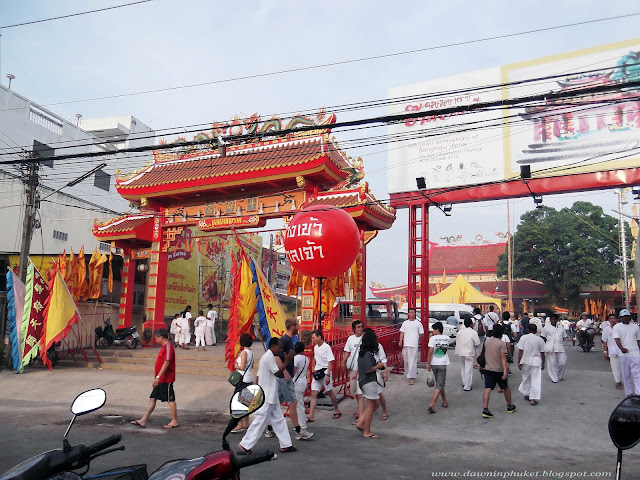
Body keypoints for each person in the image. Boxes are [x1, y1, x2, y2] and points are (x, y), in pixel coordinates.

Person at [238, 337, 297, 455]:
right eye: (279, 347)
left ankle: (286, 445)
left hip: (270, 394)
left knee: (279, 420)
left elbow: (259, 377)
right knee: (260, 420)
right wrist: (287, 360)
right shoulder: (269, 357)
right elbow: (277, 372)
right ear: (273, 346)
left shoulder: (267, 357)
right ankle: (245, 445)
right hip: (267, 395)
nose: (280, 349)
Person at [130, 329, 179, 429]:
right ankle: (144, 420)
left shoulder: (168, 347)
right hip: (160, 380)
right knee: (153, 398)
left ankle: (174, 420)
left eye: (156, 338)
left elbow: (167, 362)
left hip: (166, 379)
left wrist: (158, 377)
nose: (156, 340)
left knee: (170, 399)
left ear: (161, 337)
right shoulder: (163, 348)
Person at [270, 317, 309, 439]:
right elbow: (278, 357)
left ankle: (269, 428)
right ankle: (299, 431)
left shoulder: (290, 340)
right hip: (284, 377)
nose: (298, 327)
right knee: (293, 402)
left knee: (275, 402)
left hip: (285, 377)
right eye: (297, 325)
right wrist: (286, 372)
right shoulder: (285, 340)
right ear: (292, 327)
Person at [481, 324, 516, 418]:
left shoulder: (487, 341)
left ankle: (485, 409)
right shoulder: (501, 343)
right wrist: (505, 370)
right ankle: (509, 406)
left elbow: (482, 353)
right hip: (499, 369)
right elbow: (503, 357)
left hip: (488, 368)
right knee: (505, 387)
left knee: (487, 389)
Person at [357, 329, 386, 439]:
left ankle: (361, 423)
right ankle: (367, 431)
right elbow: (368, 369)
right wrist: (379, 366)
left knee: (375, 404)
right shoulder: (369, 354)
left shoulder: (362, 353)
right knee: (370, 406)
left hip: (363, 381)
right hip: (369, 381)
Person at [307, 329, 341, 421]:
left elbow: (330, 362)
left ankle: (336, 410)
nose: (313, 340)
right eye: (312, 338)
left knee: (330, 392)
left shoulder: (326, 347)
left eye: (314, 338)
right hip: (318, 372)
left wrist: (328, 375)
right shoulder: (315, 347)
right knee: (314, 393)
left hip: (325, 372)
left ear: (319, 337)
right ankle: (311, 415)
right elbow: (316, 359)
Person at [613, 309, 640, 395]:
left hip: (635, 353)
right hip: (623, 354)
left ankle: (638, 393)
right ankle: (629, 394)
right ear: (621, 317)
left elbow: (638, 339)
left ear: (629, 316)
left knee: (637, 374)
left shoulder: (635, 327)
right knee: (626, 375)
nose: (626, 318)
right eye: (624, 316)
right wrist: (622, 349)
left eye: (627, 316)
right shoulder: (617, 327)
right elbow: (617, 339)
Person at [517, 324, 546, 405]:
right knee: (535, 379)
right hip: (536, 362)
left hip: (525, 360)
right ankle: (533, 398)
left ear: (528, 330)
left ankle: (527, 393)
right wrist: (543, 363)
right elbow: (542, 353)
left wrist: (519, 362)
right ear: (536, 330)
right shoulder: (539, 340)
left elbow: (520, 351)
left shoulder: (523, 338)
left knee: (526, 378)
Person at [231, 333, 254, 433]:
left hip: (243, 379)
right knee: (245, 402)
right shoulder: (251, 352)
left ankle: (239, 424)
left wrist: (236, 365)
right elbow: (251, 365)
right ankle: (245, 423)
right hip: (249, 378)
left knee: (236, 401)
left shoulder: (244, 352)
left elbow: (242, 367)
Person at [426, 322, 450, 413]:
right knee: (440, 384)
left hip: (434, 363)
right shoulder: (447, 338)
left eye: (434, 329)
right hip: (443, 363)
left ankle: (444, 401)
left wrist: (428, 363)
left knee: (440, 383)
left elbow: (430, 351)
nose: (432, 331)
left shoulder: (432, 339)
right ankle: (432, 404)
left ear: (437, 330)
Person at [292, 341, 314, 440]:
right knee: (298, 404)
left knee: (299, 405)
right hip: (303, 381)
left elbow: (293, 371)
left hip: (296, 382)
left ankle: (302, 427)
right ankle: (299, 425)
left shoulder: (296, 358)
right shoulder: (306, 358)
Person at [344, 320, 365, 420]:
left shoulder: (365, 338)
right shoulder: (350, 339)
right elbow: (347, 352)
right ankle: (359, 408)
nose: (360, 329)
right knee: (354, 390)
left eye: (361, 327)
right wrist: (344, 363)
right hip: (352, 368)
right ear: (354, 329)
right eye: (358, 327)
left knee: (360, 393)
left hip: (362, 368)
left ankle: (361, 415)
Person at [399, 307, 424, 385]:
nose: (412, 314)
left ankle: (412, 377)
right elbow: (402, 332)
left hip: (413, 344)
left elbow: (421, 334)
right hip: (406, 344)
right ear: (408, 314)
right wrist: (400, 341)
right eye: (411, 312)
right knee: (406, 360)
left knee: (412, 361)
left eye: (413, 312)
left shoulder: (418, 323)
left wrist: (417, 340)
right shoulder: (405, 323)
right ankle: (409, 373)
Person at [455, 317, 480, 391]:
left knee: (463, 368)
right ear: (471, 324)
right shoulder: (473, 332)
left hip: (460, 352)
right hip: (469, 352)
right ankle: (467, 386)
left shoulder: (460, 332)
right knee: (468, 369)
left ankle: (464, 382)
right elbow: (477, 343)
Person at [541, 314, 567, 383]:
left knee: (563, 362)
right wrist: (547, 344)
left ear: (557, 320)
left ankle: (559, 376)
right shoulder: (546, 328)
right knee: (552, 363)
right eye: (552, 319)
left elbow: (563, 337)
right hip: (550, 348)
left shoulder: (561, 327)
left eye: (555, 319)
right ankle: (554, 378)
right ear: (550, 320)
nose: (553, 321)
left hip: (560, 347)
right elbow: (543, 337)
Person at [601, 313, 623, 390]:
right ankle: (618, 382)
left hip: (623, 351)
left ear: (617, 319)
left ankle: (625, 382)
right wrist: (605, 351)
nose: (612, 320)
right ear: (608, 320)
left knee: (623, 368)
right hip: (612, 352)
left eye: (614, 318)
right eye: (611, 318)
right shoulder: (606, 330)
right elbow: (605, 341)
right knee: (615, 368)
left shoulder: (621, 328)